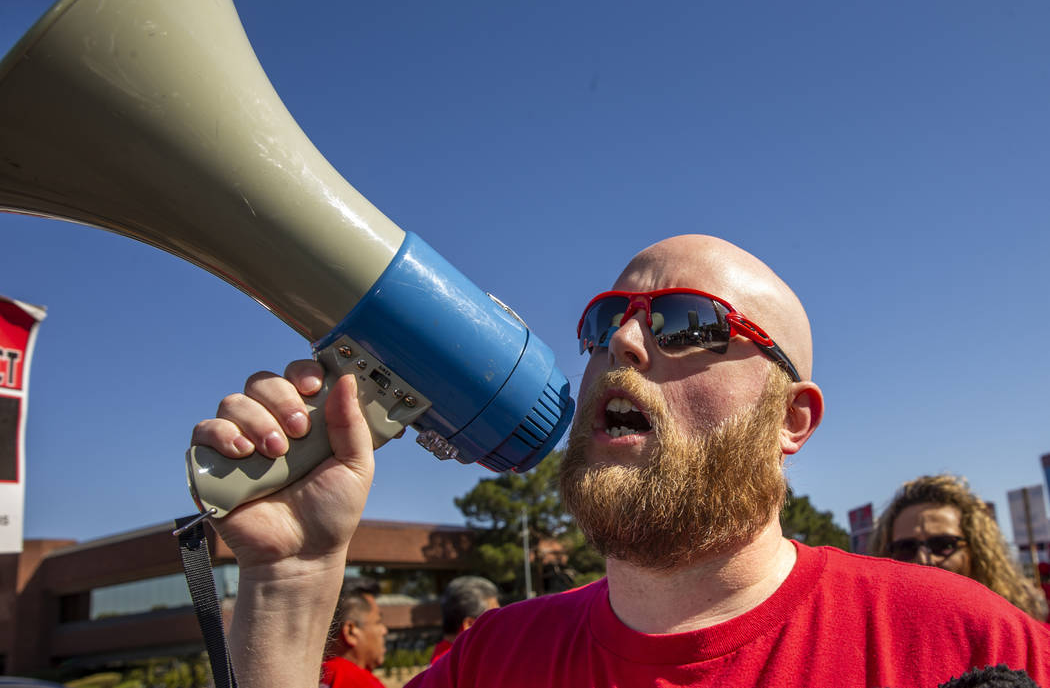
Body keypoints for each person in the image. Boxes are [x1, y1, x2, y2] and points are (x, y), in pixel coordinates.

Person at [190, 234, 1050, 688]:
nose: (624, 343)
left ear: (793, 418)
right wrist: (293, 578)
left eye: (685, 322)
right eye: (605, 323)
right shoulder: (496, 661)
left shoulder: (963, 640)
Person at [870, 474, 1049, 621]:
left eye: (943, 544)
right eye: (906, 547)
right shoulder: (875, 644)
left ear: (976, 550)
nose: (924, 559)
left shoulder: (1025, 636)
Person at [319, 578, 388, 688]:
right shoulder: (359, 681)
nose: (384, 630)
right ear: (351, 632)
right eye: (378, 622)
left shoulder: (310, 675)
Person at [429, 576, 499, 664]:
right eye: (495, 620)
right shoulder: (465, 665)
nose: (500, 626)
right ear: (470, 625)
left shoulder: (444, 660)